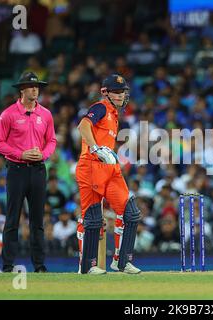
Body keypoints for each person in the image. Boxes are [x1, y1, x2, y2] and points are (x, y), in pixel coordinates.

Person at [75, 74, 142, 275]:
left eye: (123, 92)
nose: (121, 95)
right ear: (105, 92)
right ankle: (86, 266)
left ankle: (121, 262)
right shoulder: (101, 107)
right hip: (91, 166)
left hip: (110, 167)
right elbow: (83, 126)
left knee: (130, 213)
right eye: (116, 91)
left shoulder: (114, 114)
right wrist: (94, 148)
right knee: (93, 218)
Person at [0, 72, 57, 272]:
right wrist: (22, 154)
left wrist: (43, 155)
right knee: (13, 218)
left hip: (38, 170)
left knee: (38, 219)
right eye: (30, 86)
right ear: (21, 90)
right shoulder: (9, 114)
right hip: (16, 170)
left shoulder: (45, 114)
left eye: (37, 87)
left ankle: (39, 265)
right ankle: (8, 264)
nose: (35, 90)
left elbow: (52, 140)